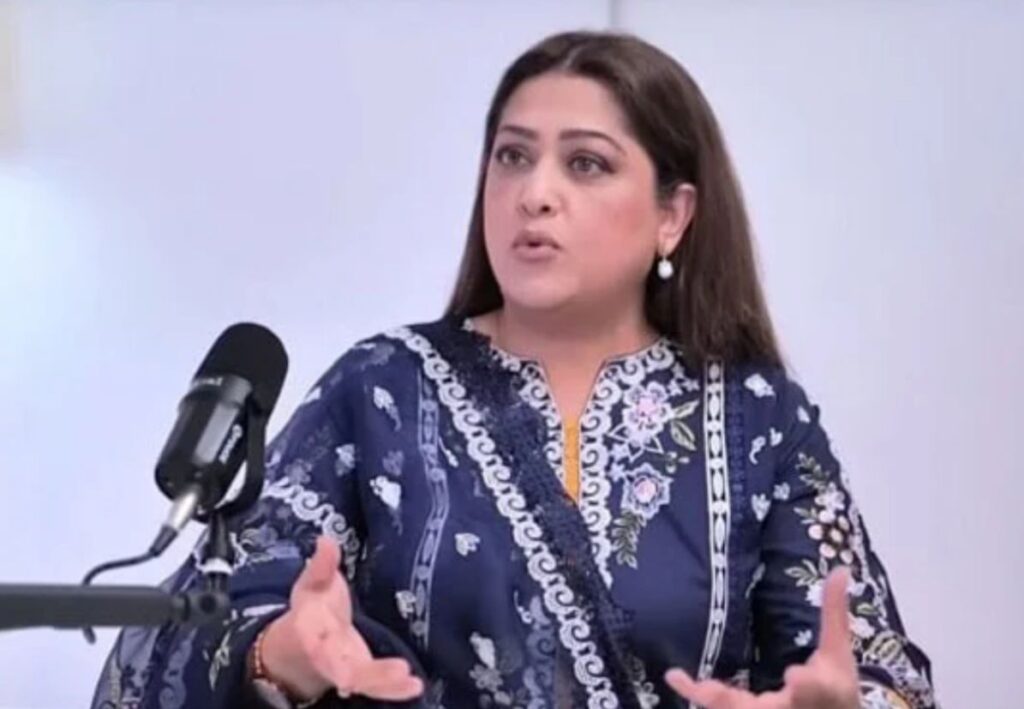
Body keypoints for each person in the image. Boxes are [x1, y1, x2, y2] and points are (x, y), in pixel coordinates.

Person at [91, 30, 937, 709]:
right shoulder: (383, 389)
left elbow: (875, 664)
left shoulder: (758, 415)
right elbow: (206, 617)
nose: (535, 193)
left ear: (672, 215)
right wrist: (282, 656)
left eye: (586, 163)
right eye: (512, 156)